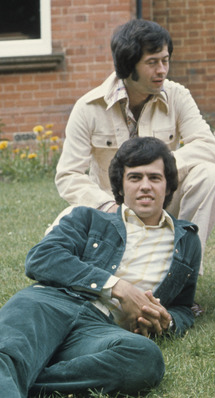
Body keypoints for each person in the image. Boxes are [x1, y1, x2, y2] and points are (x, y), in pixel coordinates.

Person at [0, 137, 201, 397]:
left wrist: (168, 321)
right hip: (49, 304)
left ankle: (21, 380)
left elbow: (184, 306)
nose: (145, 186)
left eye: (154, 177)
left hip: (100, 329)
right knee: (8, 353)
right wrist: (116, 286)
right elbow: (42, 257)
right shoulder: (88, 217)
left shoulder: (186, 240)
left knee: (144, 358)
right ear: (121, 185)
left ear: (168, 185)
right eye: (135, 178)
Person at [54, 18, 215, 275]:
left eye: (165, 60)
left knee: (214, 175)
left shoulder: (178, 95)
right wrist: (108, 207)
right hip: (112, 209)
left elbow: (208, 147)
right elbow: (68, 175)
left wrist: (160, 168)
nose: (162, 70)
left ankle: (182, 273)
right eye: (152, 62)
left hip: (162, 201)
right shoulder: (89, 107)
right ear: (128, 65)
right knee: (62, 224)